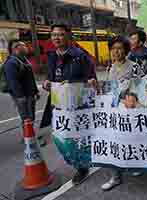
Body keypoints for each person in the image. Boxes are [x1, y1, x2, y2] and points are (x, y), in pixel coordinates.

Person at [42, 24, 98, 186]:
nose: (56, 38)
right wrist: (47, 82)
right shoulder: (52, 55)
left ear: (68, 36)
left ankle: (82, 168)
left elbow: (91, 81)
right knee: (62, 137)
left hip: (78, 107)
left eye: (60, 34)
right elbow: (50, 76)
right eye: (53, 35)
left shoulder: (81, 56)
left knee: (77, 138)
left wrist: (73, 83)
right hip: (59, 106)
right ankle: (79, 163)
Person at [101, 35, 147, 191]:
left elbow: (142, 88)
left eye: (119, 48)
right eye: (113, 49)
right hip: (115, 112)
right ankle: (115, 176)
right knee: (114, 141)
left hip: (130, 111)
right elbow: (109, 90)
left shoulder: (134, 66)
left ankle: (135, 164)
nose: (116, 52)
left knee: (131, 140)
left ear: (126, 50)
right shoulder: (111, 68)